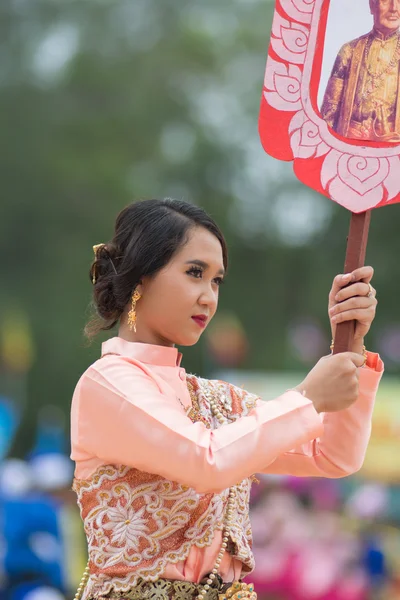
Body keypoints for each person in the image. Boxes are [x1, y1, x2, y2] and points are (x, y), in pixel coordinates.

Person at [70, 198, 383, 600]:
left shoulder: (215, 399)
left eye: (216, 280)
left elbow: (333, 455)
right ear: (140, 279)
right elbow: (207, 460)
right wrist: (306, 397)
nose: (208, 296)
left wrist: (350, 345)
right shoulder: (108, 384)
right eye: (195, 273)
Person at [321, 0, 400, 142]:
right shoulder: (349, 51)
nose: (394, 8)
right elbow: (329, 114)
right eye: (386, 1)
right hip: (349, 145)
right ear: (372, 5)